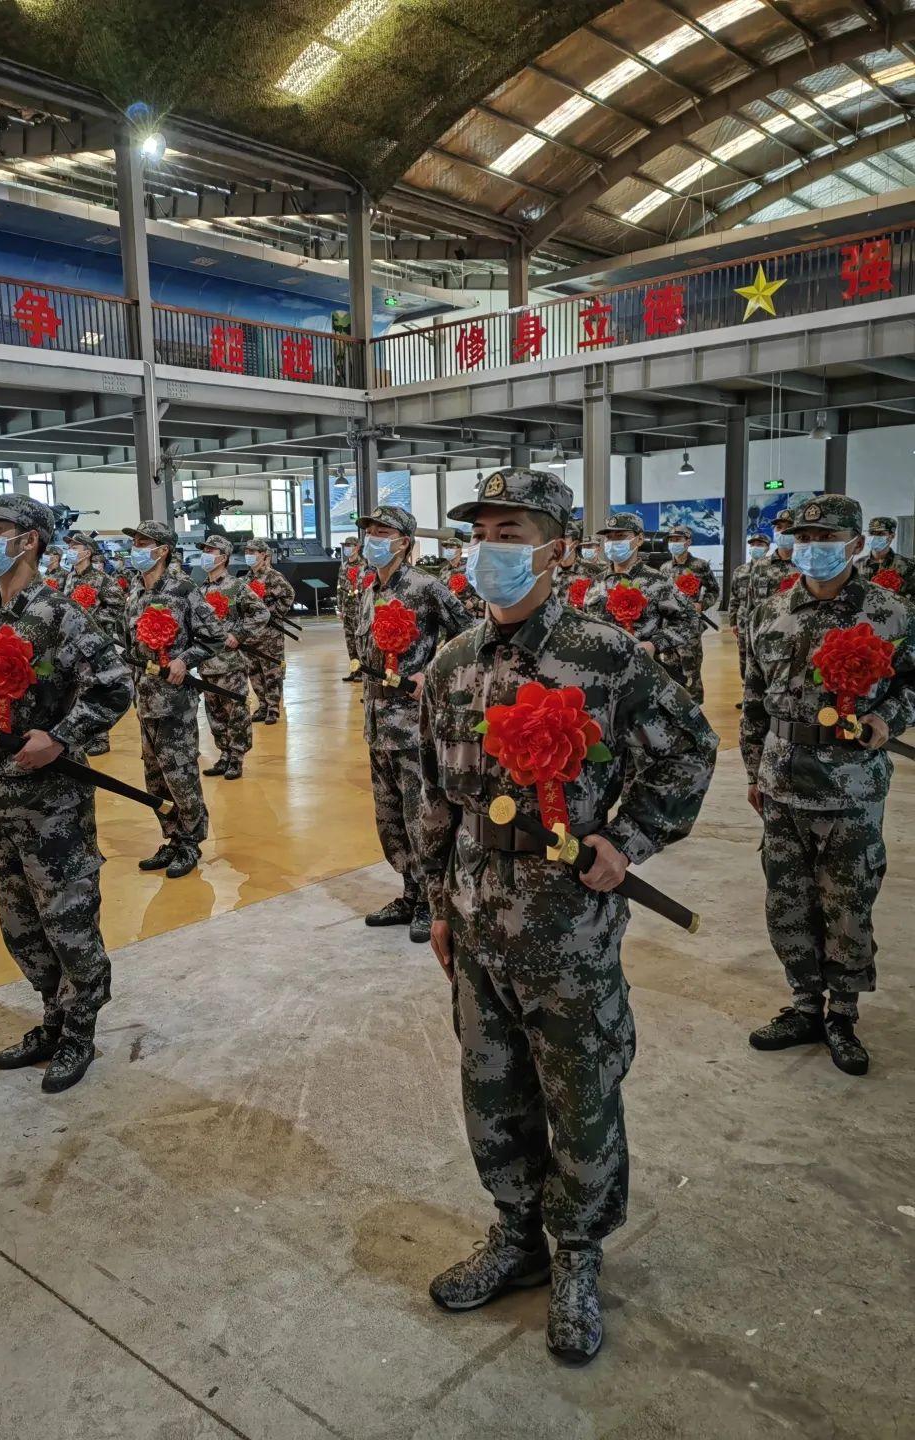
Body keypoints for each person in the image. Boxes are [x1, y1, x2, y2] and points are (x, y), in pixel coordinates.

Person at [419, 467, 716, 1363]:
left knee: (581, 1094)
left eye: (511, 533)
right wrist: (438, 905)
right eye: (482, 532)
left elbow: (688, 754)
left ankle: (578, 1254)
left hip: (569, 928)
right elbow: (437, 798)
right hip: (476, 922)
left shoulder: (604, 655)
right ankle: (517, 1238)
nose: (490, 549)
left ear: (558, 547)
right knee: (491, 1089)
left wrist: (628, 838)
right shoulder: (453, 662)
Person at [0, 494, 134, 1093]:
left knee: (68, 919)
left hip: (53, 802)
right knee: (19, 922)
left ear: (28, 539)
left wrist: (59, 738)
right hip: (2, 797)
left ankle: (80, 1029)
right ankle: (51, 1018)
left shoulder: (61, 614)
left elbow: (113, 688)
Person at [743, 494, 915, 1076]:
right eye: (804, 537)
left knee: (846, 903)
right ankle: (803, 1005)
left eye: (825, 538)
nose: (812, 548)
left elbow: (913, 683)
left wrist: (888, 719)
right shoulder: (769, 610)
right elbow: (752, 699)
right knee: (787, 903)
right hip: (782, 780)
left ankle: (842, 1012)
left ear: (855, 544)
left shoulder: (890, 611)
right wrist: (752, 770)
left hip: (851, 785)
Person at [356, 503, 473, 943]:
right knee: (389, 819)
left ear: (404, 542)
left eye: (382, 531)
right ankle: (408, 892)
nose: (373, 539)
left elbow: (469, 636)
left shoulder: (427, 587)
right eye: (369, 531)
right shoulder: (369, 589)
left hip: (413, 725)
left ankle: (432, 900)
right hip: (378, 722)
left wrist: (433, 672)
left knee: (423, 817)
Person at [123, 520, 226, 878]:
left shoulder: (183, 590)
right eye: (134, 541)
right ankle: (171, 837)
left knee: (181, 776)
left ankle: (190, 842)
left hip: (174, 703)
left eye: (142, 542)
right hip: (145, 700)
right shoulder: (135, 591)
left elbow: (214, 636)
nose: (134, 547)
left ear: (162, 549)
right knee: (155, 779)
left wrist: (185, 660)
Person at [583, 513, 699, 687]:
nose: (613, 542)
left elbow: (689, 619)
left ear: (639, 539)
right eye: (609, 537)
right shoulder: (597, 582)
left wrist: (654, 644)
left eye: (621, 536)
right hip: (601, 673)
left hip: (640, 674)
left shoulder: (658, 581)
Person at [195, 534, 270, 781]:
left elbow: (261, 613)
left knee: (235, 713)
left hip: (230, 664)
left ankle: (236, 758)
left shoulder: (236, 587)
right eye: (204, 549)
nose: (205, 553)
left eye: (210, 550)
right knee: (215, 714)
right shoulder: (200, 589)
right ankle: (224, 754)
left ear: (223, 557)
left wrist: (239, 634)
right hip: (207, 664)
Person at [61, 531, 127, 755]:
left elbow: (118, 606)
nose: (70, 551)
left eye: (75, 547)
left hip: (93, 644)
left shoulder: (101, 579)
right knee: (77, 687)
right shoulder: (71, 577)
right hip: (73, 645)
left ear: (87, 553)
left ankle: (100, 738)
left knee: (96, 687)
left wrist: (94, 622)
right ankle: (82, 734)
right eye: (69, 547)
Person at [659, 525, 719, 702]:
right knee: (670, 671)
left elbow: (714, 590)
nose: (674, 543)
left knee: (691, 672)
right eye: (671, 540)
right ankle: (675, 706)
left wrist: (702, 604)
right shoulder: (664, 568)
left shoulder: (700, 566)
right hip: (668, 628)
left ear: (688, 541)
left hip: (690, 628)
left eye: (678, 539)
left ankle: (695, 710)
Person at [242, 538, 295, 725]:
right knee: (254, 672)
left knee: (271, 671)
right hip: (251, 635)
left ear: (264, 555)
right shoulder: (245, 579)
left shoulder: (273, 576)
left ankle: (273, 708)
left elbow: (289, 594)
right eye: (247, 551)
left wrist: (272, 614)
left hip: (270, 635)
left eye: (253, 552)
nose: (249, 555)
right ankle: (263, 705)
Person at [729, 530, 770, 683]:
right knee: (744, 658)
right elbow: (734, 598)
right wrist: (732, 622)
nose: (755, 547)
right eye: (752, 544)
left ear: (767, 548)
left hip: (766, 623)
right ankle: (747, 693)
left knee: (766, 657)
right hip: (743, 623)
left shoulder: (772, 570)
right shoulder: (740, 571)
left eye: (760, 544)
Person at [855, 515, 915, 601]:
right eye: (872, 533)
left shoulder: (907, 565)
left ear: (892, 536)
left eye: (881, 534)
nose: (874, 537)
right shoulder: (857, 565)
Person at [749, 510, 797, 603]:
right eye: (779, 527)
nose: (783, 531)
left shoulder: (807, 566)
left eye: (789, 527)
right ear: (773, 531)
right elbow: (751, 604)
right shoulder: (760, 566)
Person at [550, 519, 603, 603]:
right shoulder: (547, 571)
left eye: (564, 537)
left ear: (575, 543)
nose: (558, 542)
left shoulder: (593, 571)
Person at [336, 536, 365, 682]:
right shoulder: (344, 566)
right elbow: (340, 588)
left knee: (360, 642)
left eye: (349, 545)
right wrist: (340, 608)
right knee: (350, 642)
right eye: (345, 545)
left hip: (359, 610)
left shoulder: (364, 566)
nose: (347, 548)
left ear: (357, 547)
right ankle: (354, 670)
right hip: (347, 610)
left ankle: (362, 672)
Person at [437, 532, 484, 619]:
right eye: (447, 547)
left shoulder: (469, 568)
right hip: (448, 615)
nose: (448, 549)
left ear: (460, 551)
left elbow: (480, 589)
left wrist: (472, 602)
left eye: (451, 547)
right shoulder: (443, 570)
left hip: (466, 614)